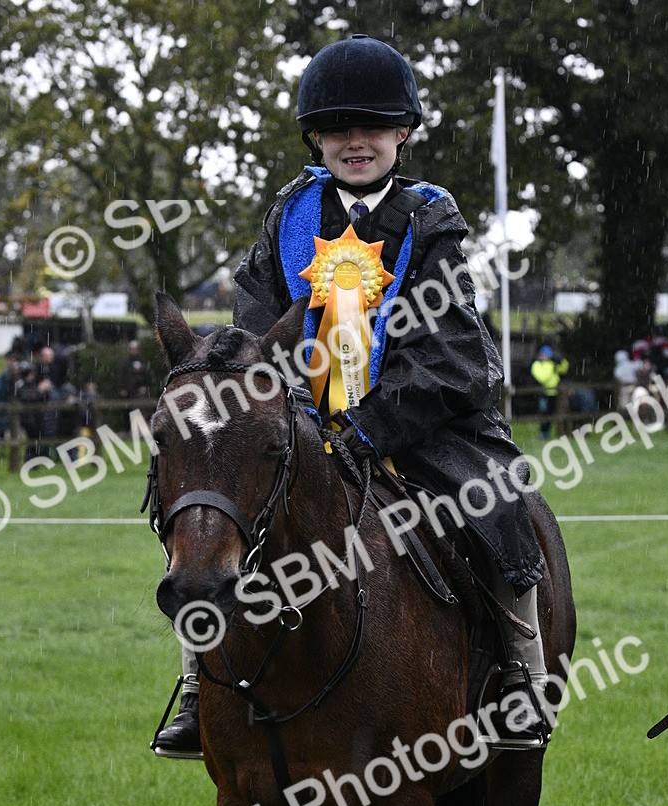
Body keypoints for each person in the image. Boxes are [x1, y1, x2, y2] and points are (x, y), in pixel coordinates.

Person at [154, 34, 550, 757]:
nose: (355, 142)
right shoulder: (288, 217)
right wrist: (279, 410)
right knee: (204, 506)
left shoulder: (429, 221)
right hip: (298, 423)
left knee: (499, 501)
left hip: (418, 422)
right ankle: (194, 683)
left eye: (372, 128)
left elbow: (453, 358)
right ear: (318, 138)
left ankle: (522, 680)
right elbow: (253, 333)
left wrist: (369, 427)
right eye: (339, 129)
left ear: (402, 133)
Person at [531, 344, 569, 439]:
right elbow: (543, 378)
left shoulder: (552, 364)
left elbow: (564, 370)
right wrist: (551, 366)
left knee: (556, 413)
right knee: (544, 414)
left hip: (555, 393)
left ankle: (558, 432)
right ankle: (543, 433)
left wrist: (562, 361)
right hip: (543, 394)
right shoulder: (537, 365)